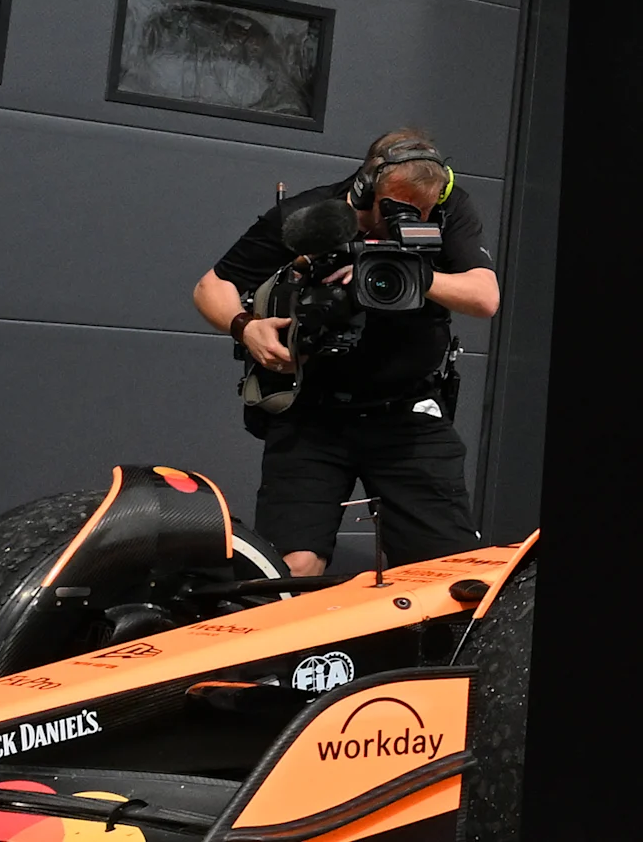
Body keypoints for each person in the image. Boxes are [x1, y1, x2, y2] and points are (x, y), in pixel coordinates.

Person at [193, 131, 496, 575]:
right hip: (312, 414)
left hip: (408, 414)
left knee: (444, 573)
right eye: (398, 209)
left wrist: (405, 271)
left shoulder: (451, 211)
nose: (413, 221)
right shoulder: (311, 215)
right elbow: (209, 287)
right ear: (364, 190)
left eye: (424, 212)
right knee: (292, 569)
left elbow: (485, 298)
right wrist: (246, 327)